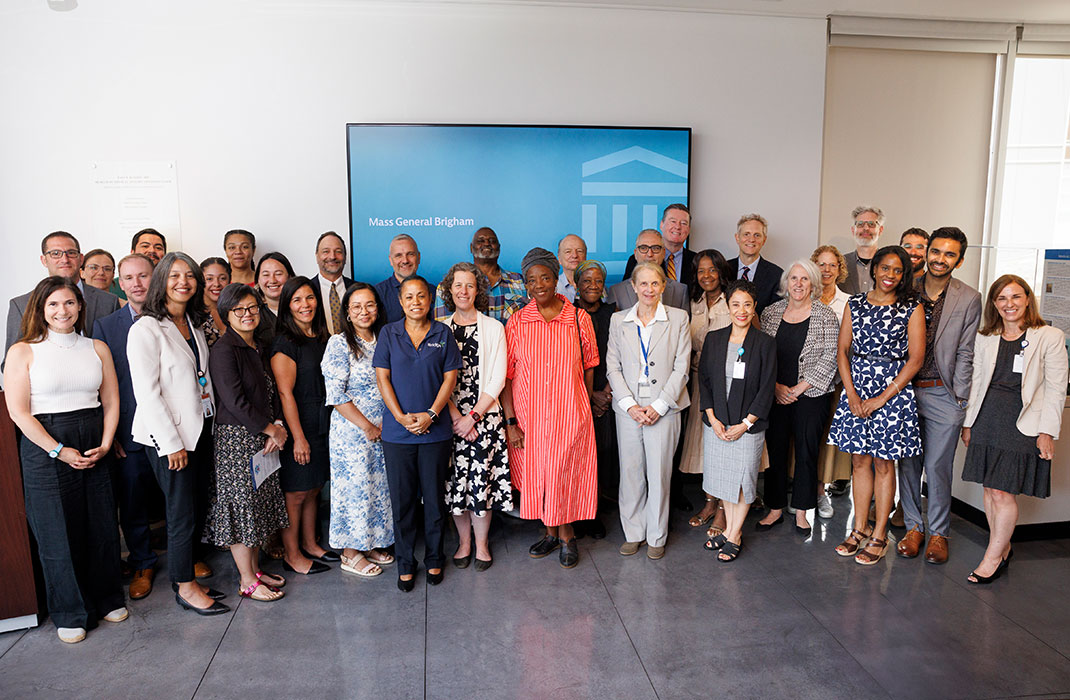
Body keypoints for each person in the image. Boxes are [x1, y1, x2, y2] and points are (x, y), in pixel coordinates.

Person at [4, 277, 126, 643]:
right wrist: (58, 450)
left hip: (93, 437)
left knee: (102, 526)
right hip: (46, 444)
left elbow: (112, 400)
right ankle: (71, 612)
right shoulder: (23, 351)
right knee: (58, 533)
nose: (63, 311)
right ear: (40, 309)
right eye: (54, 304)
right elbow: (18, 412)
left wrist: (105, 444)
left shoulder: (97, 347)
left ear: (80, 306)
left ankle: (107, 598)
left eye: (70, 303)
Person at [127, 252, 227, 614]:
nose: (183, 282)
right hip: (170, 440)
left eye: (189, 276)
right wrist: (171, 445)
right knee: (181, 513)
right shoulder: (145, 328)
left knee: (195, 509)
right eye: (174, 276)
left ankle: (188, 578)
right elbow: (147, 394)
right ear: (161, 282)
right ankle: (185, 587)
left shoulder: (193, 323)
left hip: (200, 431)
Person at [961, 275, 1067, 583]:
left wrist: (1047, 431)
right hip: (987, 416)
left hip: (1023, 422)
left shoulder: (1049, 336)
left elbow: (1056, 389)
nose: (1010, 304)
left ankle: (992, 557)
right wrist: (969, 423)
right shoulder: (987, 336)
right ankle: (1002, 547)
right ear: (994, 304)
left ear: (1027, 299)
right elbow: (977, 382)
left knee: (1003, 491)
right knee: (989, 488)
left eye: (1016, 297)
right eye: (1002, 299)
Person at [503, 248, 599, 569]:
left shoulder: (577, 317)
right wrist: (511, 421)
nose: (539, 284)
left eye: (545, 276)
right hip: (531, 420)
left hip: (569, 414)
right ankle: (550, 532)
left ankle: (568, 535)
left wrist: (583, 403)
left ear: (557, 278)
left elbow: (589, 365)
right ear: (526, 286)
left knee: (563, 474)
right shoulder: (517, 322)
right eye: (532, 280)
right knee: (541, 477)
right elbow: (507, 375)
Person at [828, 246, 924, 565]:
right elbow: (843, 351)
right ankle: (859, 528)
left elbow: (916, 359)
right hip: (856, 389)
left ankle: (880, 533)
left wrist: (883, 398)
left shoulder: (912, 307)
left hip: (892, 394)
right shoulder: (854, 304)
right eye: (885, 268)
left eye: (897, 271)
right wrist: (852, 395)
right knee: (859, 462)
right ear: (875, 269)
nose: (890, 275)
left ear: (903, 275)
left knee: (884, 464)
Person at [896, 227, 982, 564]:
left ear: (959, 260)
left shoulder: (969, 297)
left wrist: (961, 398)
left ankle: (939, 534)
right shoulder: (906, 289)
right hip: (904, 391)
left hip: (943, 395)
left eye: (949, 254)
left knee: (937, 467)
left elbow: (967, 352)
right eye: (936, 251)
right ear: (926, 252)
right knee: (908, 463)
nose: (940, 259)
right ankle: (914, 528)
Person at [373, 275, 460, 591]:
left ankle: (435, 559)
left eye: (421, 296)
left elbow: (449, 379)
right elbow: (382, 378)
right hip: (397, 436)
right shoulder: (388, 333)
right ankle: (406, 563)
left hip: (435, 434)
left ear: (430, 299)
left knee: (435, 501)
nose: (415, 302)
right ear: (400, 301)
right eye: (409, 297)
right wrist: (399, 416)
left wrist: (432, 414)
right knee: (403, 502)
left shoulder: (443, 333)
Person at [204, 284, 289, 601]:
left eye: (253, 307)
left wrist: (275, 425)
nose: (247, 314)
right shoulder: (224, 350)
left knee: (256, 506)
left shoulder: (258, 346)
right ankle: (245, 580)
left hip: (262, 436)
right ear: (226, 314)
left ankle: (254, 570)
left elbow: (270, 392)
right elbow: (235, 401)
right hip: (236, 440)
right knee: (241, 510)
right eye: (239, 309)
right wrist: (271, 429)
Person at [606, 262, 691, 559]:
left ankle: (656, 535)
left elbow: (682, 368)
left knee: (659, 473)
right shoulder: (619, 321)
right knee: (630, 473)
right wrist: (630, 406)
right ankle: (633, 532)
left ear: (663, 286)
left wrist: (658, 406)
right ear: (633, 286)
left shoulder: (679, 319)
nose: (649, 290)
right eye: (643, 284)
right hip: (628, 408)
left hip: (664, 408)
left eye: (655, 284)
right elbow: (612, 367)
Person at [93, 254, 161, 601]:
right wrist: (114, 433)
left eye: (144, 276)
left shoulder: (173, 317)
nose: (137, 283)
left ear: (156, 277)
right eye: (129, 277)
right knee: (133, 503)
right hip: (130, 433)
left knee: (180, 497)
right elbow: (105, 386)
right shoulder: (106, 327)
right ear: (120, 282)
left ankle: (188, 557)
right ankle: (142, 562)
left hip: (172, 429)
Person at [440, 263, 514, 571]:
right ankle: (464, 543)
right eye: (458, 285)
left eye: (469, 285)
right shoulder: (439, 327)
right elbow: (435, 378)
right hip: (449, 418)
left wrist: (473, 416)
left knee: (481, 482)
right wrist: (457, 417)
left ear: (478, 291)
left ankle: (482, 544)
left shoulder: (494, 328)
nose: (463, 291)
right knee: (457, 485)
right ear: (449, 290)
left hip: (485, 416)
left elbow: (499, 377)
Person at [758, 260, 839, 535]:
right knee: (775, 451)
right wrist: (777, 387)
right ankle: (775, 508)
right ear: (786, 283)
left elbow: (831, 356)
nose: (798, 284)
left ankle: (803, 512)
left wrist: (800, 387)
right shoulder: (770, 313)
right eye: (794, 278)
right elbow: (762, 356)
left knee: (807, 453)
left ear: (813, 284)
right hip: (776, 394)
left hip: (811, 395)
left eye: (805, 279)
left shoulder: (825, 315)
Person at [697, 280, 776, 562]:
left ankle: (733, 535)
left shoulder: (765, 343)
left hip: (748, 426)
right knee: (724, 480)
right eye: (735, 304)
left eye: (747, 304)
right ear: (727, 307)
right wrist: (712, 418)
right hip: (717, 423)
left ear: (754, 307)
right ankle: (732, 530)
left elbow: (767, 388)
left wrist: (746, 424)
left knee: (742, 481)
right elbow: (703, 381)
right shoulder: (714, 339)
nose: (741, 310)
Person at [321, 282, 395, 577]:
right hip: (352, 432)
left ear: (378, 308)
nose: (364, 312)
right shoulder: (339, 343)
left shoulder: (385, 339)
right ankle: (350, 553)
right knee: (354, 490)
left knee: (378, 488)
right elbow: (336, 395)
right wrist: (367, 426)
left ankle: (371, 543)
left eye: (370, 305)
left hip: (384, 429)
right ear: (347, 313)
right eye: (357, 307)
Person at [271, 276, 335, 576]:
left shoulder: (322, 336)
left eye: (309, 298)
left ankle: (311, 543)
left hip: (324, 421)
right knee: (296, 492)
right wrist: (298, 438)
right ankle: (292, 553)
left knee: (314, 488)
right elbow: (285, 394)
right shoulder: (285, 342)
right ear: (287, 305)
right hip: (301, 424)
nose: (305, 305)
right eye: (297, 300)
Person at [680, 250, 732, 533]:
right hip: (700, 384)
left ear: (721, 271)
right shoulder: (693, 302)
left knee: (724, 445)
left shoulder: (733, 299)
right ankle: (710, 502)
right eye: (701, 271)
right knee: (705, 448)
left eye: (712, 270)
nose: (706, 276)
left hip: (728, 385)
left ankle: (723, 510)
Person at [6, 231, 120, 359]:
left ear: (81, 258)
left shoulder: (109, 301)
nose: (65, 259)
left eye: (71, 253)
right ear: (44, 260)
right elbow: (11, 362)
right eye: (55, 254)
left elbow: (118, 354)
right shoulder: (21, 305)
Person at [573, 259, 616, 539]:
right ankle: (578, 515)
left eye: (598, 281)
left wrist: (607, 393)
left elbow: (622, 355)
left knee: (601, 456)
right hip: (576, 396)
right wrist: (588, 395)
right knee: (579, 459)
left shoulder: (615, 314)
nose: (593, 286)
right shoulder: (568, 315)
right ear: (576, 285)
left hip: (609, 394)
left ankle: (595, 512)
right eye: (586, 281)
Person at [811, 244, 852, 509]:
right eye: (821, 264)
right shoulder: (803, 296)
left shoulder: (848, 302)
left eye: (832, 265)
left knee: (827, 439)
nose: (826, 270)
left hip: (835, 382)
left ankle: (820, 492)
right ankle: (802, 488)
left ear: (840, 270)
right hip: (805, 383)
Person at [433, 227, 527, 323]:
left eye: (492, 241)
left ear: (499, 247)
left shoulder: (520, 281)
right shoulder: (447, 286)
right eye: (480, 241)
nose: (486, 243)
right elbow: (443, 330)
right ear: (471, 247)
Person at [608, 230, 688, 311]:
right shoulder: (616, 292)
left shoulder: (681, 290)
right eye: (643, 248)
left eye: (656, 248)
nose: (650, 254)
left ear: (664, 253)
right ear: (635, 253)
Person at [622, 204, 696, 286]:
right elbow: (626, 292)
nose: (678, 227)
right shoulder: (639, 259)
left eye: (683, 223)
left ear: (689, 229)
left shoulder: (696, 260)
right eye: (673, 221)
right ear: (661, 224)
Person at [725, 214, 783, 314]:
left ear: (764, 240)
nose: (751, 239)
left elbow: (776, 315)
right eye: (746, 234)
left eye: (757, 235)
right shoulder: (723, 269)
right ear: (737, 238)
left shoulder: (777, 275)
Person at [375, 234, 430, 324]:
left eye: (410, 254)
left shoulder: (434, 292)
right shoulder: (377, 293)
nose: (405, 260)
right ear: (390, 260)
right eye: (398, 255)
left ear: (419, 257)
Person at [310, 231, 355, 335]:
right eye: (326, 251)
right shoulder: (306, 290)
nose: (332, 257)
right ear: (317, 256)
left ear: (345, 256)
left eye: (338, 251)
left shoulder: (358, 289)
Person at [840, 205, 884, 295]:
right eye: (860, 224)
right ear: (853, 230)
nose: (866, 228)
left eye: (871, 224)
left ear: (880, 230)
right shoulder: (840, 264)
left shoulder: (888, 263)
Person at [111, 229, 167, 299]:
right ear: (133, 252)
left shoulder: (173, 284)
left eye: (158, 248)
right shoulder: (114, 286)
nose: (152, 250)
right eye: (145, 246)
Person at [200, 257, 231, 346]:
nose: (217, 284)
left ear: (229, 280)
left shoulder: (236, 310)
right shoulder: (194, 314)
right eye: (209, 279)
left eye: (222, 278)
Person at [256, 252, 295, 318]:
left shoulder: (302, 309)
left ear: (290, 277)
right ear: (258, 280)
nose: (272, 280)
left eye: (278, 274)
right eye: (266, 275)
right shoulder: (253, 314)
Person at [555, 234, 587, 302]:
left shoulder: (596, 285)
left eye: (579, 251)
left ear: (585, 257)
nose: (575, 255)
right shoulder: (552, 287)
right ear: (559, 258)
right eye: (568, 252)